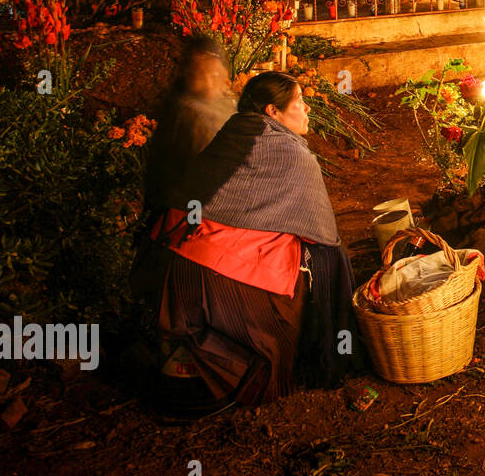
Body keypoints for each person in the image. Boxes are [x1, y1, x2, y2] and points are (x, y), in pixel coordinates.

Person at [135, 73, 357, 415]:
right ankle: (277, 363)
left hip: (165, 265)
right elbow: (324, 236)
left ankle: (187, 358)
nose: (307, 107)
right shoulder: (290, 152)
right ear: (273, 111)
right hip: (207, 277)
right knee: (313, 264)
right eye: (299, 101)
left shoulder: (235, 131)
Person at [144, 36, 237, 212]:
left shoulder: (222, 105)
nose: (209, 82)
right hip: (189, 210)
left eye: (214, 74)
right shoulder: (188, 113)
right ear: (188, 76)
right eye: (201, 76)